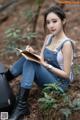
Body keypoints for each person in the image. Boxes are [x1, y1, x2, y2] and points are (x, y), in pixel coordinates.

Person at [5, 5, 75, 120]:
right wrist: (32, 53)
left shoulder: (66, 44)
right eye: (48, 22)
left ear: (63, 21)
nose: (51, 25)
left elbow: (67, 75)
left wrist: (46, 65)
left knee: (31, 63)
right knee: (28, 59)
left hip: (59, 84)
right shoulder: (48, 38)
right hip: (47, 76)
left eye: (54, 21)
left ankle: (21, 105)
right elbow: (40, 58)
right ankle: (4, 79)